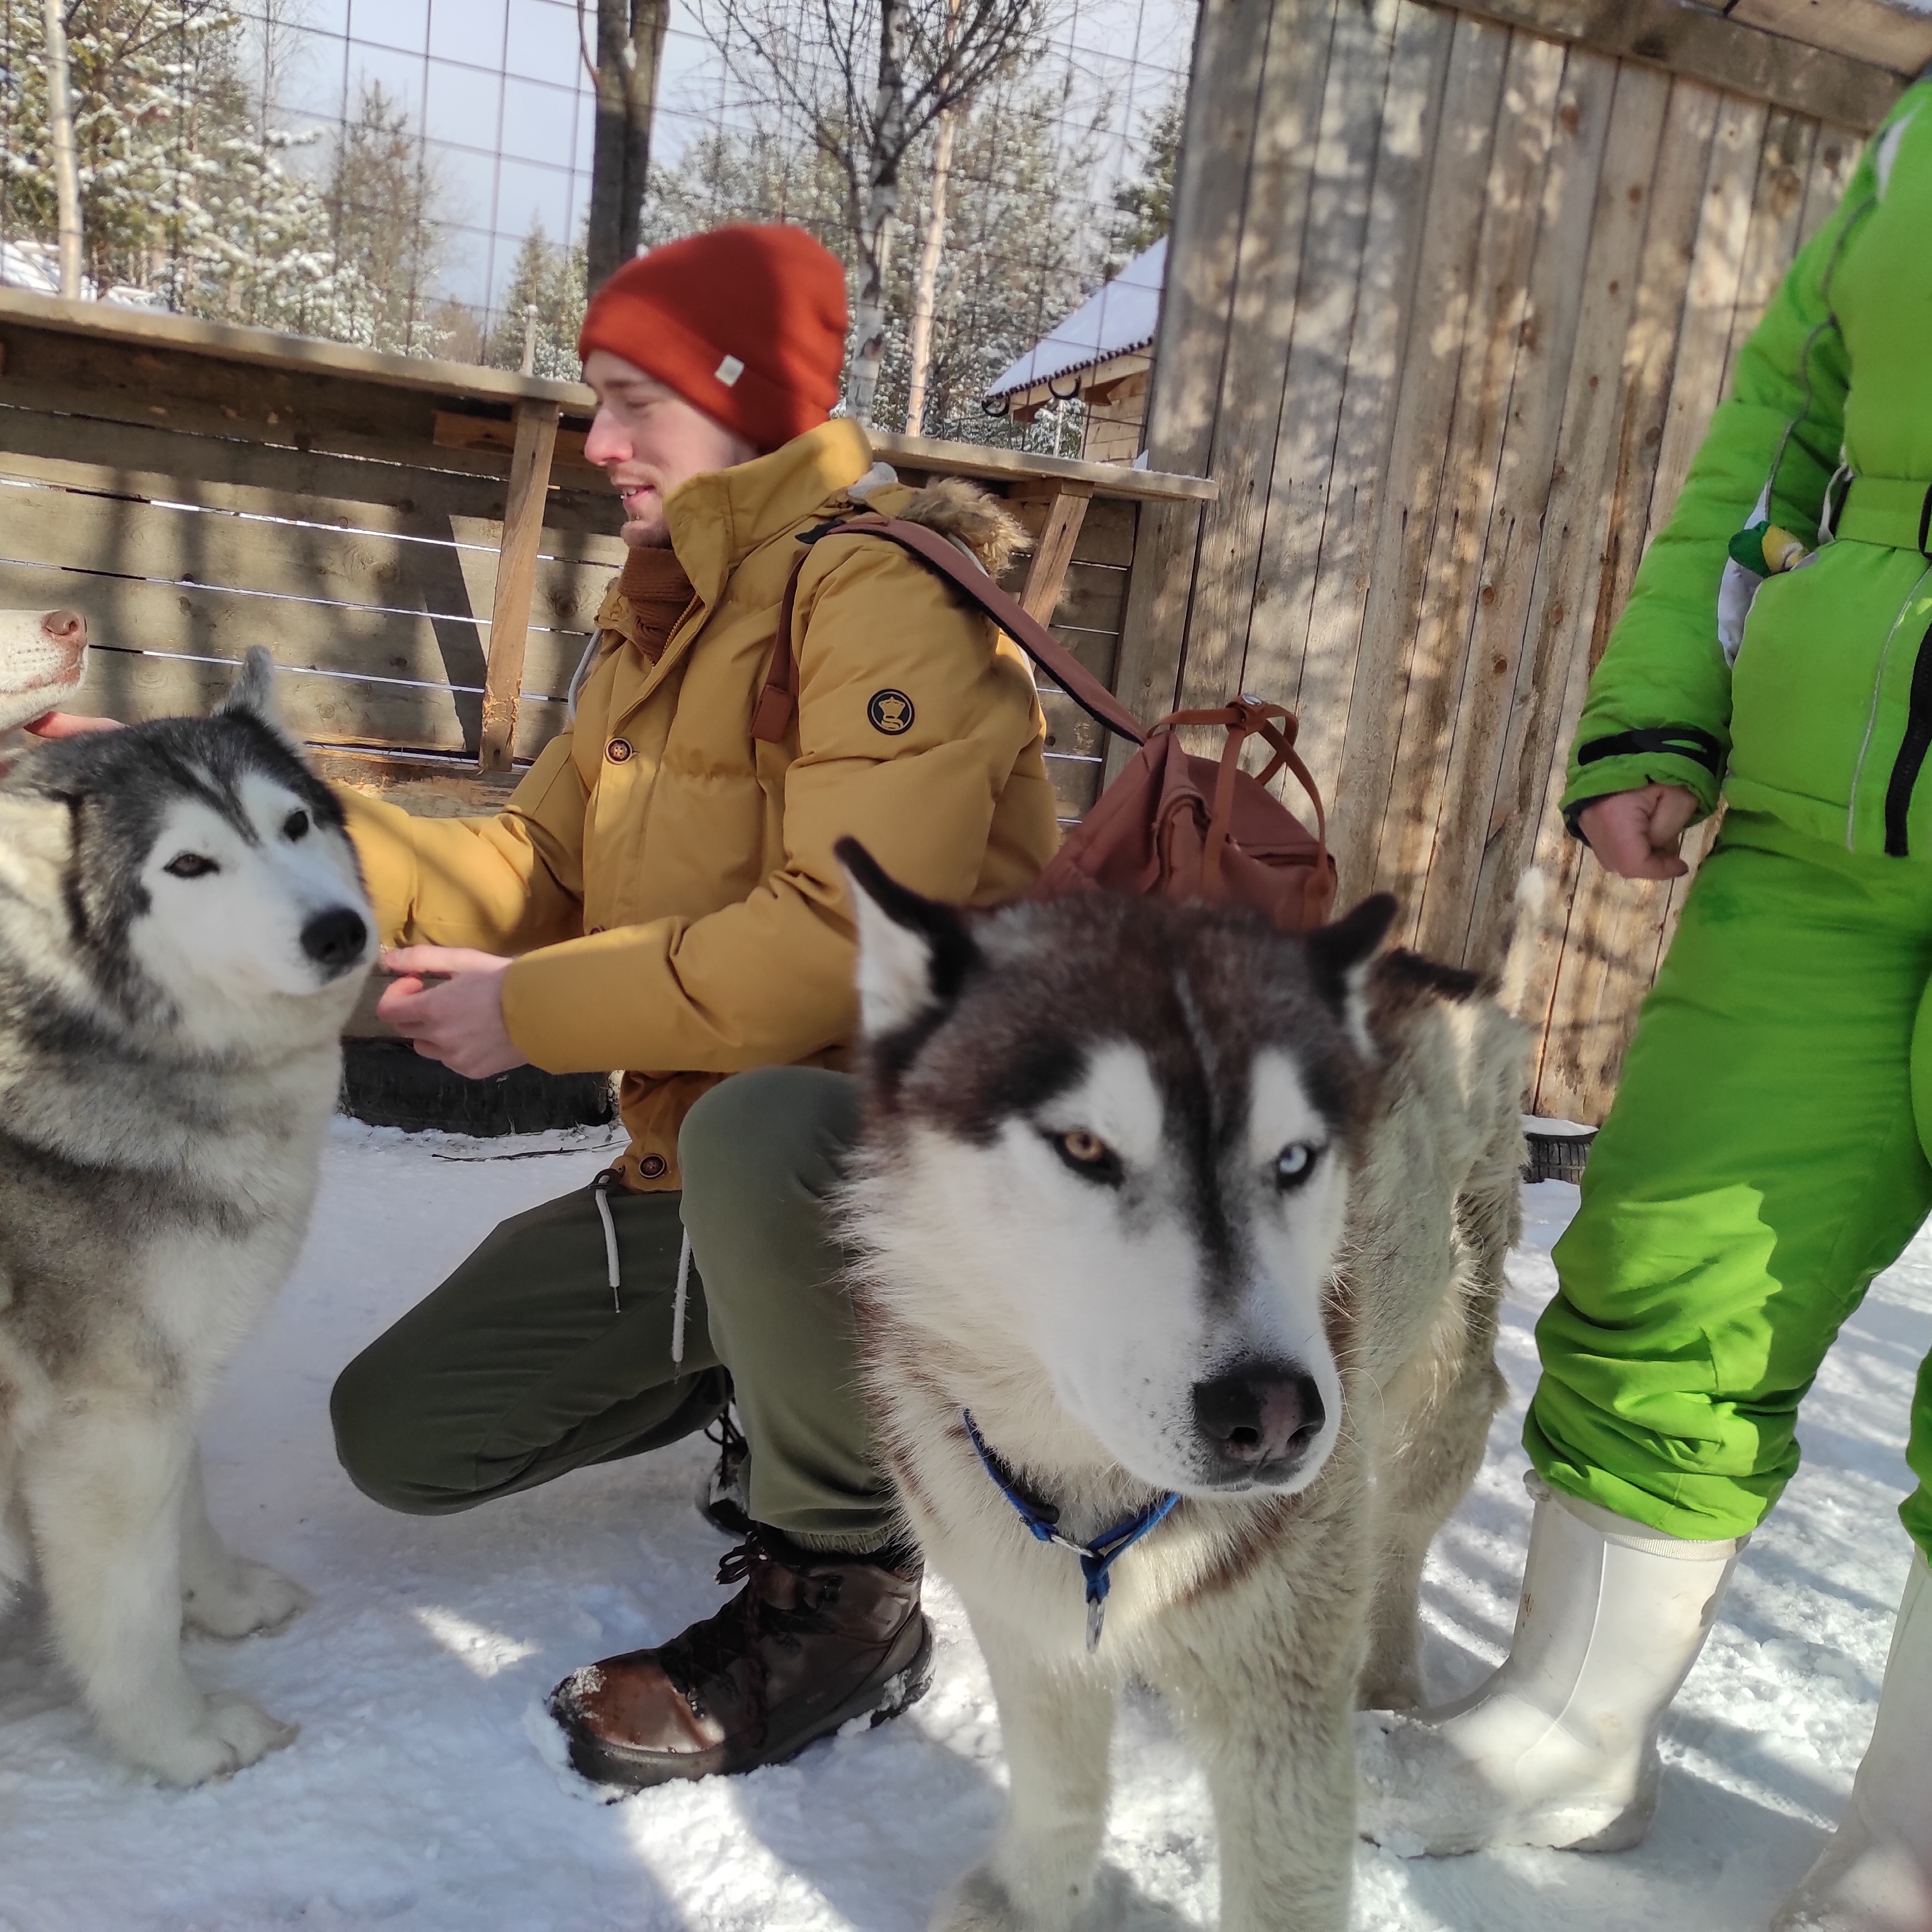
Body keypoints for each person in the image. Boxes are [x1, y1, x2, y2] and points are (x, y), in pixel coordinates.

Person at [326, 223, 1059, 1787]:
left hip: (919, 1174)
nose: (598, 444)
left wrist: (537, 1014)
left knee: (760, 1121)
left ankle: (847, 1596)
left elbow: (850, 946)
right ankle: (782, 1359)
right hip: (719, 1170)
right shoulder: (659, 612)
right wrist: (277, 833)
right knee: (402, 1437)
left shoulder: (886, 599)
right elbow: (534, 860)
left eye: (632, 400)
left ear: (746, 396)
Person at [1359, 79, 1932, 1930]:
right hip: (1823, 826)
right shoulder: (1924, 132)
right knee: (1674, 1243)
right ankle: (1570, 1731)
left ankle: (1909, 1849)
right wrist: (1666, 699)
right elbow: (1786, 417)